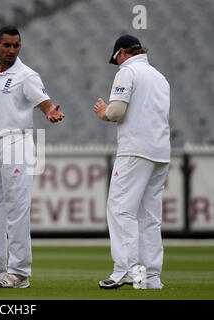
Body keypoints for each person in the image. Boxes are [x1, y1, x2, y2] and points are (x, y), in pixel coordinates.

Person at [0, 26, 64, 288]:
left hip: (16, 142)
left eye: (16, 46)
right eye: (7, 45)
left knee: (16, 208)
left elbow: (45, 102)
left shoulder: (27, 75)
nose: (11, 50)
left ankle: (19, 272)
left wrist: (50, 112)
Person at [93, 35, 171, 290]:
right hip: (160, 152)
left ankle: (126, 270)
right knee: (149, 216)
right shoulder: (159, 77)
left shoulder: (128, 71)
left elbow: (117, 111)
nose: (116, 65)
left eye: (116, 60)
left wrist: (104, 112)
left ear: (123, 52)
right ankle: (150, 278)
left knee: (120, 208)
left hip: (135, 150)